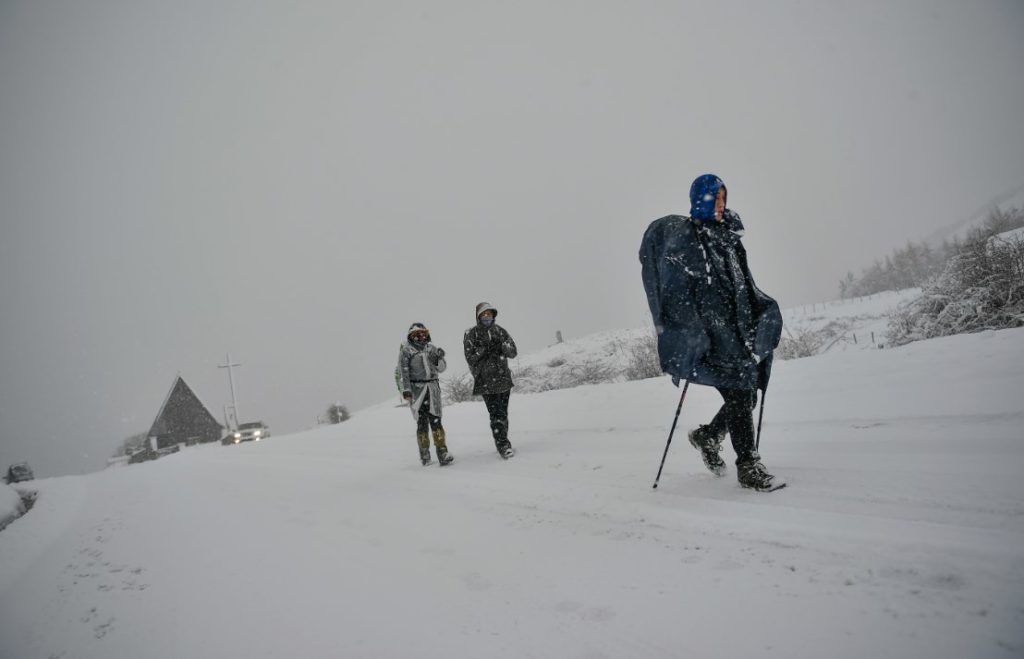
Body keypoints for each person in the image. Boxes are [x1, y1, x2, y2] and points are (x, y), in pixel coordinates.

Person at [639, 174, 783, 491]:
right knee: (737, 393)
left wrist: (761, 312)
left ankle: (709, 436)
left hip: (737, 331)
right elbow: (679, 291)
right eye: (714, 199)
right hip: (712, 335)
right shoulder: (688, 240)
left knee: (746, 395)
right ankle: (748, 465)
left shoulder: (729, 240)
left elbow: (743, 285)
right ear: (699, 200)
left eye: (722, 199)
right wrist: (692, 330)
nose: (720, 205)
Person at [463, 302, 518, 459]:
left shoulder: (500, 331)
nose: (487, 317)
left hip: (503, 378)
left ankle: (503, 440)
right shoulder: (471, 334)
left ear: (493, 315)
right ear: (478, 316)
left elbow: (513, 352)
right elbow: (470, 358)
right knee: (495, 414)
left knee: (503, 413)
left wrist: (502, 346)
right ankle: (503, 445)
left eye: (490, 314)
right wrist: (483, 350)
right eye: (484, 314)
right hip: (486, 381)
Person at [397, 323, 453, 466]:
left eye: (422, 333)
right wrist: (407, 390)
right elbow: (404, 371)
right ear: (411, 336)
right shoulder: (407, 351)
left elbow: (442, 368)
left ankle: (442, 452)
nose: (420, 337)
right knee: (422, 423)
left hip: (432, 389)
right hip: (417, 391)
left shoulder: (431, 348)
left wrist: (439, 358)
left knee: (436, 421)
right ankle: (425, 454)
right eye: (416, 334)